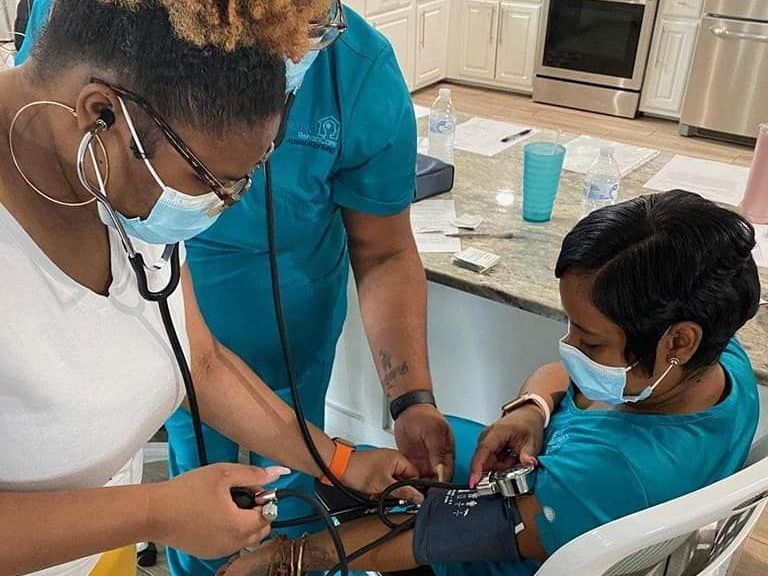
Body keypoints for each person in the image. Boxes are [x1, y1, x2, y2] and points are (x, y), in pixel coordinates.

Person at [17, 5, 454, 572]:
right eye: (207, 182)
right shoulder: (126, 168)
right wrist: (152, 511)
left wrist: (340, 461)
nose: (216, 210)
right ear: (103, 113)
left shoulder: (113, 166)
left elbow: (199, 360)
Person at [220, 190, 762, 576]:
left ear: (678, 340)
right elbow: (562, 378)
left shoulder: (612, 472)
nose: (569, 349)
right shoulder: (717, 364)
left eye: (592, 343)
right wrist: (531, 409)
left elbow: (440, 536)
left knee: (322, 502)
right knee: (366, 468)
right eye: (569, 326)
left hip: (487, 551)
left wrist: (289, 558)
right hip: (536, 497)